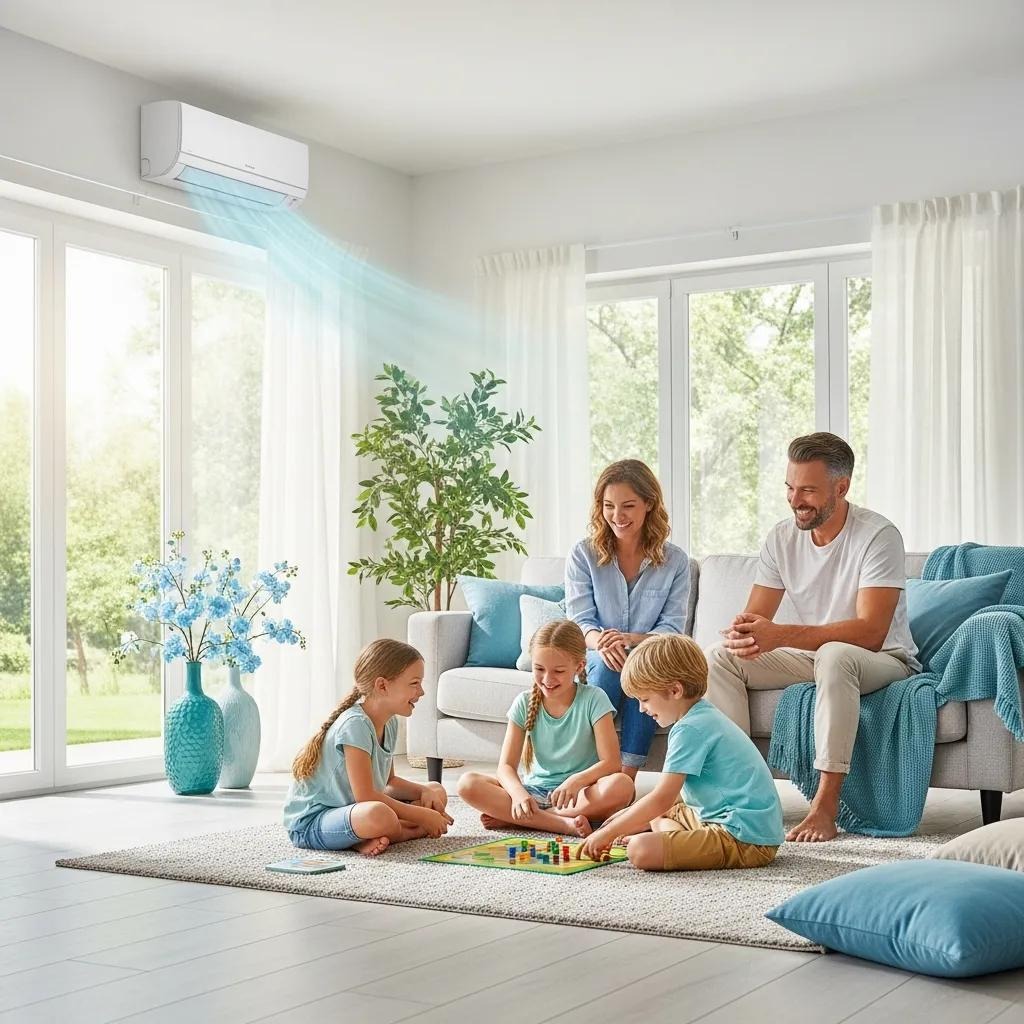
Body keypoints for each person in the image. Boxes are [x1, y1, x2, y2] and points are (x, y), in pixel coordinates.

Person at [706, 432, 920, 843]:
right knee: (720, 657)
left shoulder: (878, 535)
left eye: (808, 490)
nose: (794, 499)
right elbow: (757, 619)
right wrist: (743, 634)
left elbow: (872, 632)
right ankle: (745, 798)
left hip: (884, 659)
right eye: (789, 487)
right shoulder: (781, 538)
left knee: (836, 655)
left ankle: (825, 808)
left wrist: (780, 634)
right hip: (818, 656)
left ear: (841, 488)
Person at [578, 634, 783, 870]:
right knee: (659, 814)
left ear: (675, 690)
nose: (642, 709)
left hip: (744, 838)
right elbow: (668, 797)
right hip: (743, 825)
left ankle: (672, 843)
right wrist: (623, 818)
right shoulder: (701, 715)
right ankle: (676, 842)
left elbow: (661, 797)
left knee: (640, 850)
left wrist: (607, 834)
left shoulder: (689, 729)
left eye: (644, 699)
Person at [565, 459, 690, 779]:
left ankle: (626, 776)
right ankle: (597, 771)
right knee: (610, 663)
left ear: (649, 504)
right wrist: (602, 642)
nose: (617, 516)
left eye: (628, 506)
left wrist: (630, 640)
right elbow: (579, 619)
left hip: (648, 652)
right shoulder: (583, 554)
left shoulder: (675, 560)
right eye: (608, 506)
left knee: (644, 665)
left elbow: (672, 629)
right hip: (596, 652)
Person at [458, 619, 635, 836]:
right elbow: (505, 767)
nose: (547, 679)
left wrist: (576, 781)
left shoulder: (594, 699)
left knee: (622, 785)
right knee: (467, 784)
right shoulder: (523, 702)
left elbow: (612, 763)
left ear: (579, 666)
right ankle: (558, 823)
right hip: (532, 793)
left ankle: (528, 819)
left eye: (558, 671)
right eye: (539, 669)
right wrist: (518, 795)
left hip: (578, 795)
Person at [284, 638, 453, 857]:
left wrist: (424, 791)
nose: (421, 692)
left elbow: (389, 782)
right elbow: (365, 796)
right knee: (379, 814)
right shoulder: (355, 725)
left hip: (351, 811)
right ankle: (403, 832)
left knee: (436, 791)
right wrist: (421, 816)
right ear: (382, 685)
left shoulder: (389, 721)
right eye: (414, 683)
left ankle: (366, 837)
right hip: (312, 823)